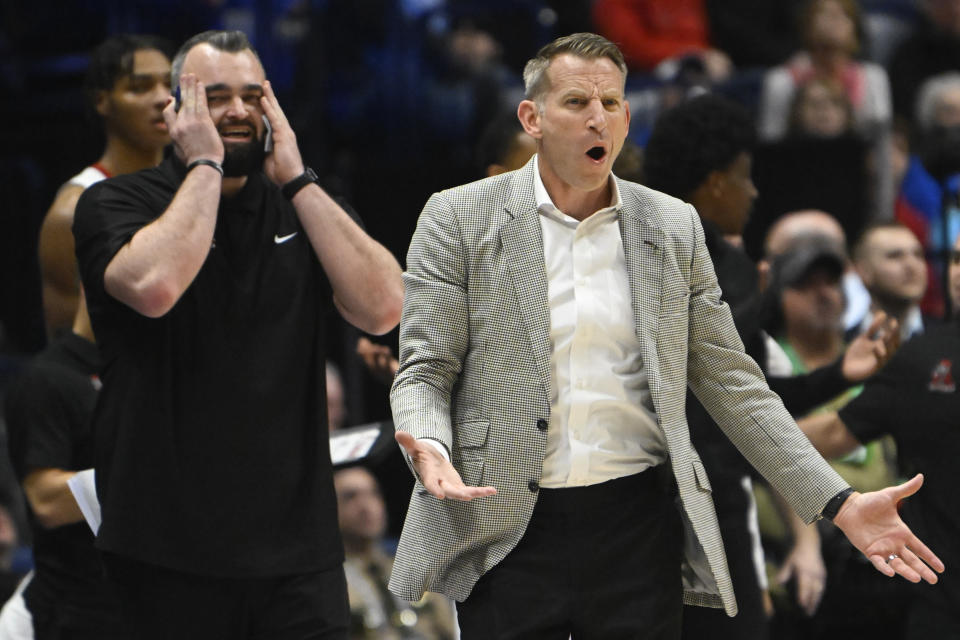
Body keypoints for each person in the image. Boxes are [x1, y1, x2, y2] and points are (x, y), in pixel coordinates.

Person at [387, 33, 943, 639]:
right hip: (508, 522)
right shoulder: (458, 215)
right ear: (533, 117)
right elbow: (425, 369)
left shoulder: (672, 226)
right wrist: (431, 448)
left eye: (612, 103)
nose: (598, 118)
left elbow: (734, 384)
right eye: (576, 102)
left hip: (636, 523)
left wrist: (838, 502)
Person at [72, 29, 404, 639]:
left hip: (298, 551)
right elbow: (154, 287)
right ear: (177, 110)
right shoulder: (116, 203)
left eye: (252, 96)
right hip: (166, 550)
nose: (237, 111)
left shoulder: (301, 205)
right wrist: (203, 163)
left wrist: (300, 179)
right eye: (214, 96)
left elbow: (384, 307)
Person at [643, 94, 900, 639]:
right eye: (745, 177)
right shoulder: (724, 269)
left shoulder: (628, 248)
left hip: (632, 504)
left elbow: (751, 400)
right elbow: (740, 402)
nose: (753, 192)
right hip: (708, 505)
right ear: (715, 183)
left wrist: (839, 375)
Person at [798, 231, 960, 638]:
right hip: (941, 596)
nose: (959, 272)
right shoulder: (921, 358)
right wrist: (735, 433)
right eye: (956, 259)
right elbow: (833, 432)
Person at [2, 292, 128, 639]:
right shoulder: (48, 379)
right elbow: (46, 500)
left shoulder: (154, 377)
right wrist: (146, 477)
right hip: (75, 610)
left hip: (152, 603)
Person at [39, 34, 173, 338]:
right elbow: (68, 352)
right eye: (140, 87)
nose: (162, 98)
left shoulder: (197, 190)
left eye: (169, 84)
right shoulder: (72, 212)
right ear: (103, 101)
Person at [334, 467, 455, 640]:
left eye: (373, 493)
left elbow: (451, 630)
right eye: (350, 496)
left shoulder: (415, 567)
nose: (366, 506)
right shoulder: (331, 585)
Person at [850, 221, 929, 341]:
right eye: (895, 256)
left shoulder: (950, 342)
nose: (912, 265)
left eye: (918, 254)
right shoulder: (839, 348)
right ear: (863, 271)